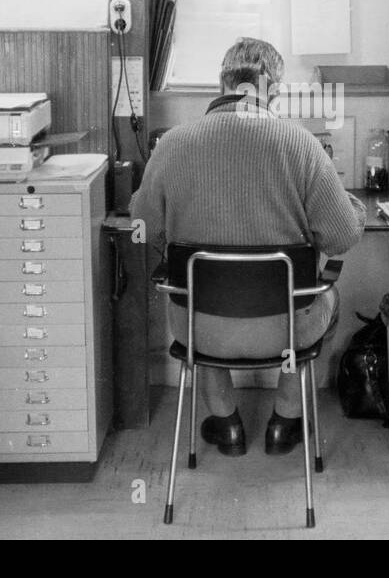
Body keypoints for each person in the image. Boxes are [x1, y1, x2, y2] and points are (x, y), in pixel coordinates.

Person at [130, 38, 365, 455]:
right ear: (272, 91)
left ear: (221, 85)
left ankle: (227, 425)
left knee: (196, 291)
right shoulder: (300, 145)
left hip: (199, 329)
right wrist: (351, 208)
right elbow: (342, 237)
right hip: (287, 328)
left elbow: (143, 227)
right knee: (329, 298)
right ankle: (284, 423)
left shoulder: (172, 144)